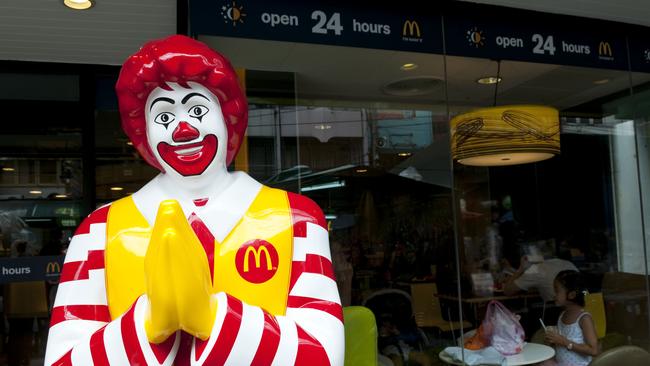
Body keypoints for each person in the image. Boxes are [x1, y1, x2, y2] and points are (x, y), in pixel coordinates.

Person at [45, 35, 344, 365]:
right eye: (163, 117)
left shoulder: (297, 219)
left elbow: (325, 354)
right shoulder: (98, 231)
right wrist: (146, 324)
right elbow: (63, 359)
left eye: (198, 109)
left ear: (227, 117)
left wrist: (215, 317)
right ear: (143, 131)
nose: (182, 130)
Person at [544, 270, 599, 365]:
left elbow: (594, 350)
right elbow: (560, 343)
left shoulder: (584, 318)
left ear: (571, 295)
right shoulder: (562, 315)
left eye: (557, 291)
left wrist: (564, 342)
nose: (554, 295)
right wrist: (554, 340)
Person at [503, 255, 578, 303]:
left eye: (556, 290)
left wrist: (521, 269)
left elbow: (507, 291)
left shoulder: (536, 269)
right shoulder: (567, 263)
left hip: (556, 312)